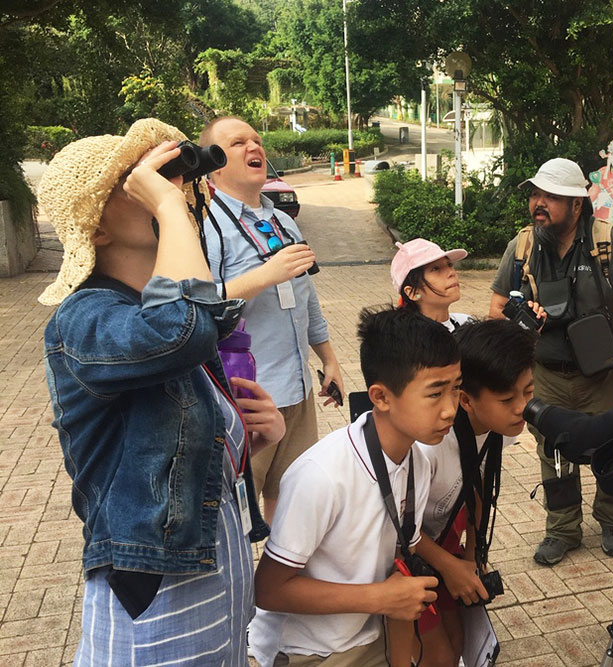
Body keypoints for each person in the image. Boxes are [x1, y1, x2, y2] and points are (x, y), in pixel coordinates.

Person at [38, 119, 285, 665]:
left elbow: (175, 460)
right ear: (96, 230)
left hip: (216, 573)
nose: (169, 187)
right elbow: (181, 330)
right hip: (153, 595)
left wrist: (248, 440)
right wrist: (172, 210)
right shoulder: (85, 318)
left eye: (171, 178)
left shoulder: (163, 310)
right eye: (138, 182)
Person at [250, 307, 460, 667]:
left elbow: (401, 558)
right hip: (312, 652)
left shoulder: (418, 461)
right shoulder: (323, 475)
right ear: (380, 397)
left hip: (374, 636)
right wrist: (380, 598)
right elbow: (268, 589)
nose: (450, 410)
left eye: (456, 390)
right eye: (435, 394)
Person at [489, 157, 613, 565]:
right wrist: (520, 314)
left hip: (604, 374)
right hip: (545, 373)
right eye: (535, 194)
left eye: (550, 197)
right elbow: (495, 309)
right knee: (554, 450)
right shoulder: (522, 246)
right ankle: (562, 529)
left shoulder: (609, 243)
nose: (538, 203)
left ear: (577, 204)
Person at [200, 116, 345, 524]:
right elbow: (198, 304)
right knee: (237, 514)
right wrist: (265, 274)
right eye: (237, 142)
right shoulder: (206, 225)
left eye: (257, 140)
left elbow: (305, 293)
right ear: (212, 161)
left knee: (294, 506)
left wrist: (328, 357)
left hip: (297, 391)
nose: (254, 147)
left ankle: (285, 583)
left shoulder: (282, 221)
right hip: (245, 398)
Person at [405, 319, 536, 666]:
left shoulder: (498, 426)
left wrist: (471, 556)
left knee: (460, 638)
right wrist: (450, 566)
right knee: (439, 654)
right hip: (403, 556)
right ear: (465, 400)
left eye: (529, 391)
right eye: (508, 398)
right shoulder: (429, 445)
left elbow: (475, 489)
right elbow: (398, 531)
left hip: (442, 543)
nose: (522, 407)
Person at [391, 238, 472, 331]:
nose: (451, 273)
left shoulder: (467, 323)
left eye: (449, 265)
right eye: (435, 269)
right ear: (412, 293)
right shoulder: (406, 340)